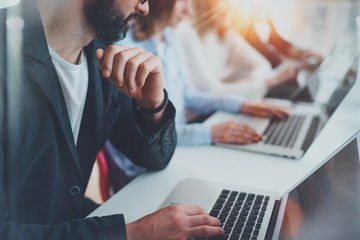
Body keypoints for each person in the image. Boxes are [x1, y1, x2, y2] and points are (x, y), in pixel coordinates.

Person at [0, 0, 225, 239]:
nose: (145, 8)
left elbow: (157, 159)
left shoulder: (105, 59)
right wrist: (137, 233)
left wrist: (152, 105)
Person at [117, 0, 289, 146]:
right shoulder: (128, 49)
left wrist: (241, 104)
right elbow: (141, 135)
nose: (189, 10)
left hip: (178, 146)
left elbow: (190, 95)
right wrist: (209, 133)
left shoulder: (171, 39)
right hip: (143, 165)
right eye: (182, 0)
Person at [175, 0, 300, 99]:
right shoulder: (188, 35)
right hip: (199, 115)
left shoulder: (226, 34)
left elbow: (263, 65)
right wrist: (268, 82)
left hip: (220, 104)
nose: (229, 8)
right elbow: (213, 92)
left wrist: (249, 82)